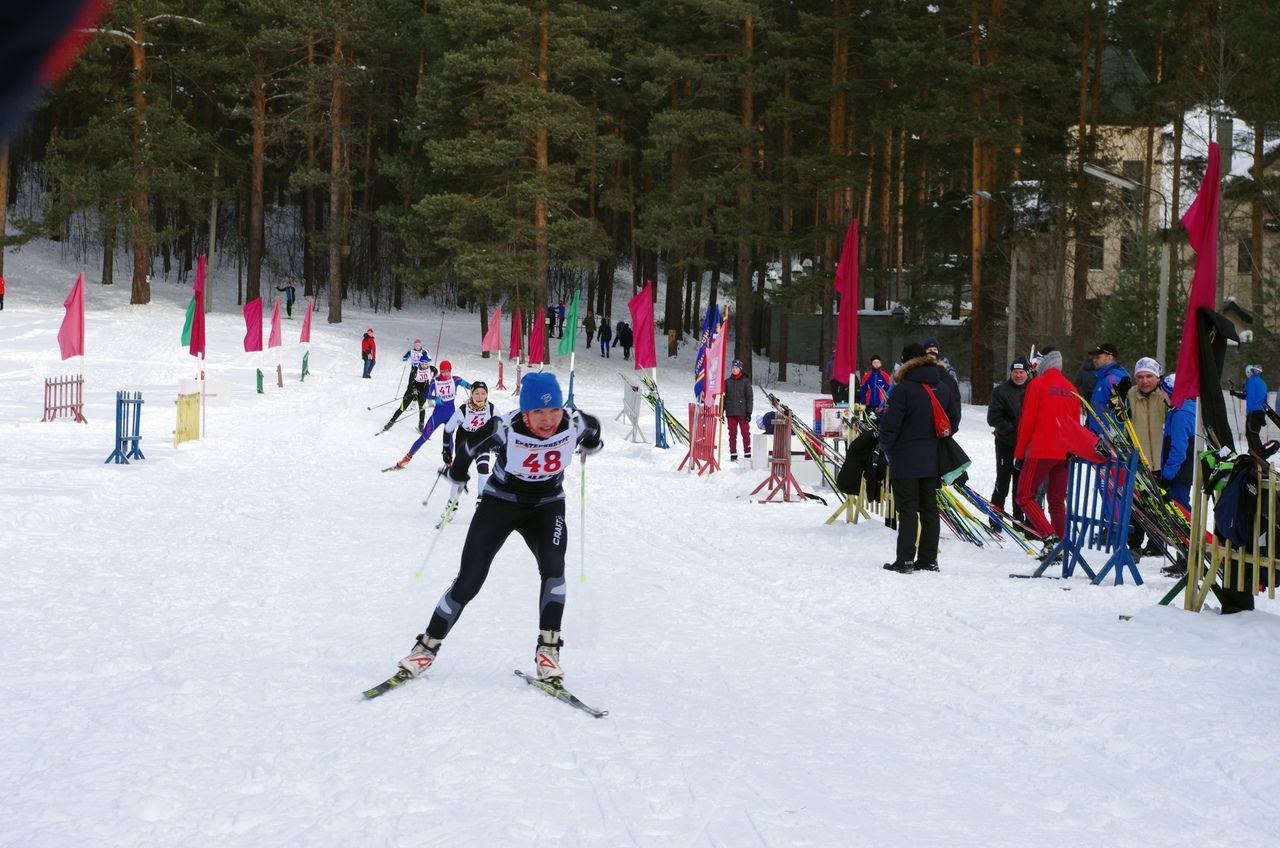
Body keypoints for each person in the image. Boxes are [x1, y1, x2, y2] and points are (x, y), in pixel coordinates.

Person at [396, 372, 604, 683]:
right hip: (500, 504)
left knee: (554, 567)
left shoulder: (575, 422)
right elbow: (466, 449)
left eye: (554, 410)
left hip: (547, 506)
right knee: (469, 580)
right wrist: (459, 475)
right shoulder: (505, 428)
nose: (548, 420)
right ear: (524, 412)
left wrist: (591, 446)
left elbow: (594, 430)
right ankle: (426, 647)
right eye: (538, 412)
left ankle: (548, 652)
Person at [877, 342, 960, 574]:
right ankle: (928, 559)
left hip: (905, 459)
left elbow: (889, 427)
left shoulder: (903, 389)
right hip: (933, 459)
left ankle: (904, 560)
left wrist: (888, 449)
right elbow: (954, 420)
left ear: (905, 362)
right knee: (930, 510)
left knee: (907, 510)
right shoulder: (942, 387)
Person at [1013, 347, 1081, 548]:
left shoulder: (1037, 384)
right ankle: (1059, 544)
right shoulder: (1072, 388)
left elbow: (1027, 421)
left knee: (1024, 495)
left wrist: (1019, 453)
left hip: (1042, 449)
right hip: (1064, 451)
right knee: (1057, 501)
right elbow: (1075, 425)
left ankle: (1049, 537)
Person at [396, 381, 496, 481]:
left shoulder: (455, 380)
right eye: (443, 370)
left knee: (451, 438)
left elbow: (470, 386)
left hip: (450, 416)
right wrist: (435, 398)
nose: (446, 373)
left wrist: (476, 391)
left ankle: (450, 464)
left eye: (448, 370)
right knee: (424, 437)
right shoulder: (436, 381)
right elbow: (428, 394)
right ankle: (407, 457)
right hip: (437, 416)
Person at [1127, 357, 1168, 556]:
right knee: (1137, 506)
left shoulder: (1165, 395)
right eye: (1140, 377)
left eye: (1149, 376)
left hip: (1161, 461)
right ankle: (1134, 543)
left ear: (1157, 377)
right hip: (1139, 461)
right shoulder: (1130, 395)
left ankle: (1157, 543)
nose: (1144, 381)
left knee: (1159, 506)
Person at [987, 356, 1030, 531]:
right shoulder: (1001, 391)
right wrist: (1012, 431)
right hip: (1006, 443)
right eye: (1015, 372)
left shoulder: (1033, 390)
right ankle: (995, 518)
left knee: (1021, 484)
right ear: (1011, 372)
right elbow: (993, 417)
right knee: (1003, 480)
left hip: (1025, 446)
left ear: (1027, 373)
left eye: (1021, 372)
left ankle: (1018, 521)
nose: (1018, 375)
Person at [1160, 373, 1196, 510]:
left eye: (1163, 392)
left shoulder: (1182, 414)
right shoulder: (1181, 410)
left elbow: (1179, 451)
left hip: (1178, 475)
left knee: (1179, 510)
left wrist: (1167, 476)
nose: (1161, 396)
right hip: (1179, 473)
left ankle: (1187, 532)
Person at [1084, 342, 1131, 434]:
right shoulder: (1103, 378)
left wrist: (1113, 439)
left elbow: (1120, 415)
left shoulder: (1112, 379)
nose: (1094, 360)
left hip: (1107, 440)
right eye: (1094, 357)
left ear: (1109, 357)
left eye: (1098, 357)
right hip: (1098, 438)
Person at [383, 359, 433, 432]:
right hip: (412, 390)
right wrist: (414, 389)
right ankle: (391, 422)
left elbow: (436, 371)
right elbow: (410, 382)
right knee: (402, 407)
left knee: (422, 408)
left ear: (427, 364)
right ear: (420, 363)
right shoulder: (415, 370)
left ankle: (421, 426)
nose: (424, 365)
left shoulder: (430, 368)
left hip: (422, 391)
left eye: (425, 364)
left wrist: (434, 376)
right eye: (422, 364)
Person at [1230, 363, 1268, 454]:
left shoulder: (1251, 381)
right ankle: (1254, 454)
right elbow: (1262, 397)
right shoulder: (1263, 382)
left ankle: (1259, 455)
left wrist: (1234, 393)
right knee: (1253, 434)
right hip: (1260, 411)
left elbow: (1247, 395)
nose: (1249, 373)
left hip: (1253, 411)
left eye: (1250, 371)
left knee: (1251, 434)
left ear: (1253, 371)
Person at [723, 359, 753, 461]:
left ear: (740, 369)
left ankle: (747, 451)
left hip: (742, 412)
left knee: (745, 432)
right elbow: (723, 398)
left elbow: (749, 398)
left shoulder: (745, 382)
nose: (734, 370)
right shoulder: (727, 382)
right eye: (733, 368)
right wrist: (721, 412)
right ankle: (733, 452)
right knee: (732, 433)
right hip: (731, 412)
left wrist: (749, 412)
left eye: (736, 368)